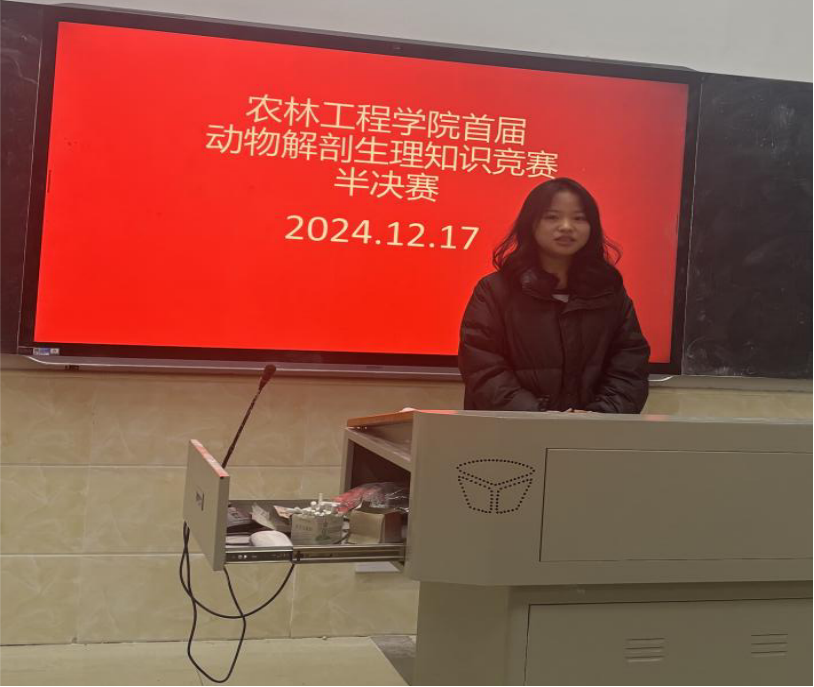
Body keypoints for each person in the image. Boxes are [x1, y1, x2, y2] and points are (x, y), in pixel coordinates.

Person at [458, 177, 650, 413]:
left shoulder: (609, 291)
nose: (567, 227)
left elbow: (630, 366)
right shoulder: (495, 290)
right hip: (511, 429)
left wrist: (599, 416)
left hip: (593, 431)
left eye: (579, 218)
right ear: (530, 224)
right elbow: (483, 368)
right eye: (552, 217)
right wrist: (539, 417)